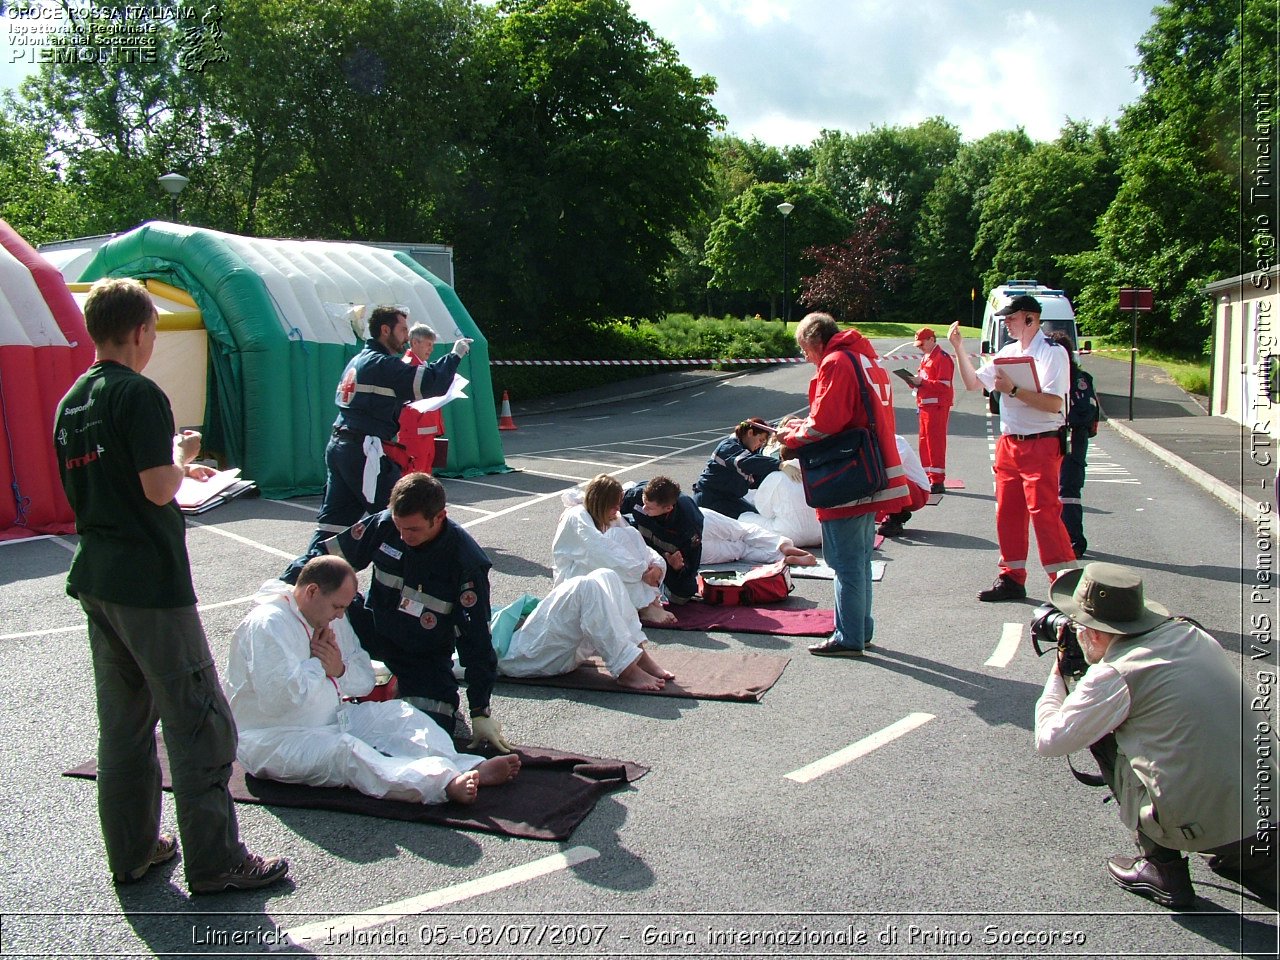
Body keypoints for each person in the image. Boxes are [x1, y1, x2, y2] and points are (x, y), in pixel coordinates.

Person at [54, 277, 288, 894]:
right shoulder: (139, 393)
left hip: (97, 575)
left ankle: (133, 850)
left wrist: (173, 468)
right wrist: (182, 455)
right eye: (153, 331)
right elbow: (158, 487)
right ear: (139, 331)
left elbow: (105, 483)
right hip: (150, 584)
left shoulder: (72, 401)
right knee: (199, 721)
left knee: (125, 724)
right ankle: (217, 860)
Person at [1035, 562, 1276, 910]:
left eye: (1077, 625)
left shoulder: (1114, 674)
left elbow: (1050, 740)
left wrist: (1059, 670)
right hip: (1270, 803)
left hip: (1227, 833)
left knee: (1102, 735)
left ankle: (1163, 868)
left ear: (1096, 633)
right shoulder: (1191, 633)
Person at [225, 556, 520, 804]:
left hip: (330, 717)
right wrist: (320, 666)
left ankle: (468, 765)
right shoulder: (267, 625)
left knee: (399, 714)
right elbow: (280, 701)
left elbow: (364, 678)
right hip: (275, 738)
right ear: (312, 591)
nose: (340, 616)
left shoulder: (328, 619)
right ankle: (442, 785)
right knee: (347, 753)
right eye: (337, 607)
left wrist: (339, 669)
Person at [321, 473, 512, 752]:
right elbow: (326, 565)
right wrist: (290, 592)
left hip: (422, 657)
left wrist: (480, 710)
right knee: (323, 604)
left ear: (440, 517)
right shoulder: (386, 523)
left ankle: (402, 691)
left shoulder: (466, 563)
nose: (403, 536)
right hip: (372, 632)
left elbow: (476, 640)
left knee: (431, 734)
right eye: (399, 526)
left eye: (413, 529)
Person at [286, 305, 469, 579]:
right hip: (364, 451)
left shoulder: (359, 360)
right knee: (402, 516)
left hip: (342, 447)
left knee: (333, 528)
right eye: (403, 330)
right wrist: (455, 355)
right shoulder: (381, 364)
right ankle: (404, 588)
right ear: (386, 330)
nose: (406, 337)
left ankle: (297, 584)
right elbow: (430, 382)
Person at [776, 313, 911, 657]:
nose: (806, 358)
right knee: (860, 558)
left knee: (844, 561)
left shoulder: (836, 362)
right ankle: (860, 629)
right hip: (869, 469)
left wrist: (791, 435)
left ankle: (848, 636)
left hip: (845, 476)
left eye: (805, 350)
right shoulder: (864, 358)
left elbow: (826, 423)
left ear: (816, 341)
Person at [948, 294, 1077, 601]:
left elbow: (1054, 404)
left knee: (1044, 514)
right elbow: (972, 384)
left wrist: (1015, 390)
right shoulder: (1008, 351)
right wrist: (958, 348)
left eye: (1011, 318)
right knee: (1007, 512)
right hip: (1011, 443)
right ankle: (1012, 578)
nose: (1005, 323)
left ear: (1030, 319)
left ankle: (1066, 585)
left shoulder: (1052, 353)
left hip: (1041, 442)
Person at [495, 569, 675, 692]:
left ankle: (639, 655)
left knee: (606, 575)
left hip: (528, 640)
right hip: (515, 653)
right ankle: (626, 670)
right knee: (585, 587)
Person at [552, 474, 674, 625]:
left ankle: (648, 602)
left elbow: (635, 541)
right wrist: (642, 571)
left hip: (607, 566)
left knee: (628, 533)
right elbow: (600, 553)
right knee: (616, 549)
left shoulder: (609, 515)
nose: (618, 509)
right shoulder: (577, 517)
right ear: (600, 503)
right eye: (614, 505)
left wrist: (656, 565)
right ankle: (645, 605)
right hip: (577, 575)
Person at [1050, 332, 1099, 558]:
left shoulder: (1078, 379)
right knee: (1050, 493)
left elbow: (1085, 412)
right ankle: (1059, 538)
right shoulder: (1051, 376)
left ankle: (1075, 541)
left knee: (1068, 491)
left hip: (1071, 439)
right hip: (1052, 439)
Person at [620, 476, 703, 602]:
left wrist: (679, 567)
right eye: (644, 503)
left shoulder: (688, 524)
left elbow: (692, 563)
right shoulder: (637, 495)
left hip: (666, 555)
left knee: (685, 592)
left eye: (650, 508)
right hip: (641, 544)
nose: (643, 509)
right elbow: (610, 507)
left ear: (668, 508)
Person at [693, 417, 781, 518]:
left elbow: (756, 477)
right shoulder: (728, 446)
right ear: (750, 433)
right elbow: (747, 461)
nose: (760, 445)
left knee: (758, 517)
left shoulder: (746, 451)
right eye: (760, 440)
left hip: (728, 499)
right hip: (710, 499)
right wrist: (779, 465)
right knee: (754, 521)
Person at [903, 327, 954, 494]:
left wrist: (921, 383)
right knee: (924, 443)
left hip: (937, 407)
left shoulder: (942, 358)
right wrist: (914, 382)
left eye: (922, 344)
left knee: (935, 444)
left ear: (932, 339)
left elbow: (944, 386)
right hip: (925, 405)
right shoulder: (927, 357)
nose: (920, 347)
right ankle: (926, 477)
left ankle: (937, 480)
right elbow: (925, 379)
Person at [397, 323, 452, 475]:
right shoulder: (408, 366)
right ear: (414, 343)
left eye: (432, 345)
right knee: (414, 476)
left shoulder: (421, 365)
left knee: (424, 476)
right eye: (428, 344)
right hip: (415, 433)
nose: (431, 349)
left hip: (424, 432)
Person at [875, 435, 933, 539]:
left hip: (918, 493)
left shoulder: (897, 441)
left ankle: (894, 517)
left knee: (889, 475)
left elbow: (893, 468)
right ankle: (897, 513)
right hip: (905, 490)